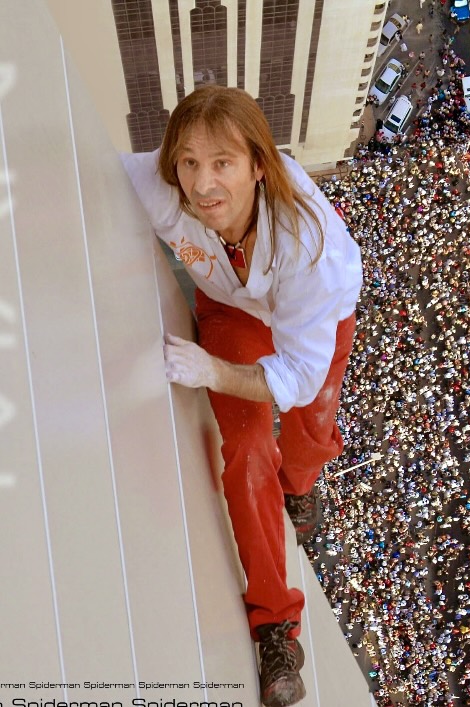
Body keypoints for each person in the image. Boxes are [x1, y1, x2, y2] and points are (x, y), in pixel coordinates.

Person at [121, 85, 362, 707]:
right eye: (189, 163)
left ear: (260, 164)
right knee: (251, 451)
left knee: (309, 429)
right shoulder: (160, 183)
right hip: (230, 309)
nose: (202, 186)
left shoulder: (310, 247)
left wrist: (211, 373)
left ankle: (302, 489)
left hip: (314, 323)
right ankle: (277, 626)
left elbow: (299, 377)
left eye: (222, 163)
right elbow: (82, 172)